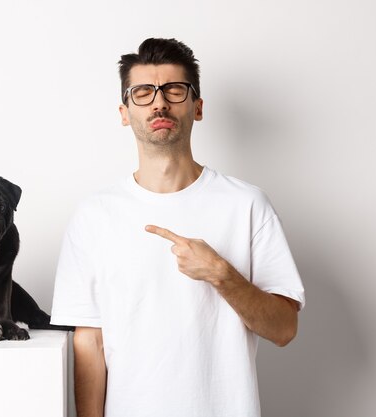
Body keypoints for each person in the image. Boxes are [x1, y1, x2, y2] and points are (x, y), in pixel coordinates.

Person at [50, 38, 305, 417]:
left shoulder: (247, 204)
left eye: (174, 89)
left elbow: (284, 329)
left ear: (197, 107)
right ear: (124, 112)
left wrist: (222, 275)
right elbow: (90, 342)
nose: (159, 102)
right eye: (143, 92)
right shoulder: (94, 215)